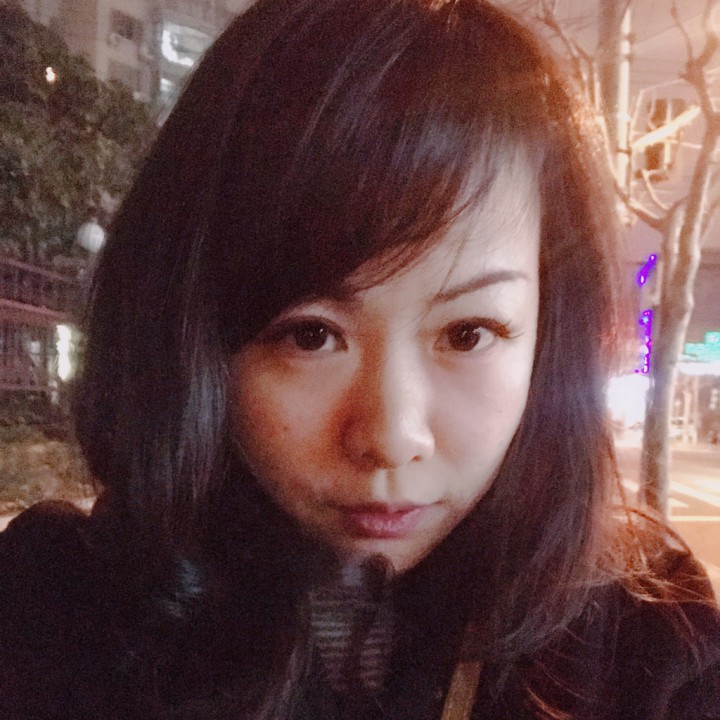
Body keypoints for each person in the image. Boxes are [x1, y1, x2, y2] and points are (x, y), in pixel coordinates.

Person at [1, 0, 718, 718]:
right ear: (193, 331)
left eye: (467, 333)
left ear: (549, 334)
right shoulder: (56, 619)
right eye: (311, 335)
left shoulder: (645, 646)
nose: (390, 438)